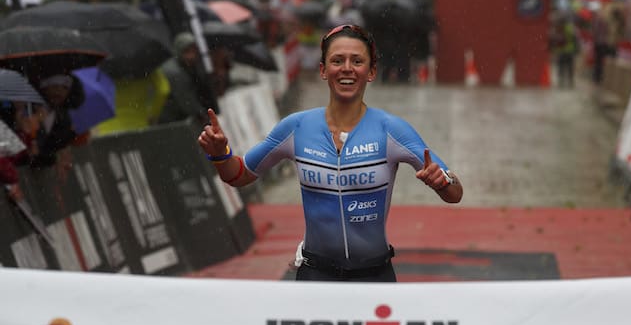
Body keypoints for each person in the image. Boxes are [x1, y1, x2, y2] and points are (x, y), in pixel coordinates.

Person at [198, 24, 463, 282]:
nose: (347, 68)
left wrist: (442, 182)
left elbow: (455, 193)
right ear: (323, 70)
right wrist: (220, 154)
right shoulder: (296, 127)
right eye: (337, 60)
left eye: (357, 61)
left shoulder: (391, 130)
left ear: (371, 72)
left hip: (374, 276)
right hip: (316, 275)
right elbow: (240, 174)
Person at [157, 32, 210, 125]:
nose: (192, 56)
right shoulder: (175, 72)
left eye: (194, 50)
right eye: (187, 51)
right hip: (168, 119)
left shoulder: (185, 66)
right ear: (179, 52)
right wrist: (202, 115)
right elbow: (186, 101)